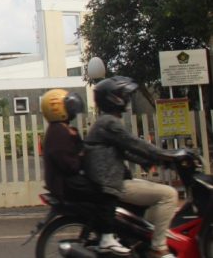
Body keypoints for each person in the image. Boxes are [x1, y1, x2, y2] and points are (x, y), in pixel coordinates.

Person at [84, 76, 179, 258]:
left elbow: (126, 150)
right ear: (115, 99)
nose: (127, 99)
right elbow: (133, 143)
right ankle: (158, 248)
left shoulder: (106, 122)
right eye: (124, 95)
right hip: (113, 183)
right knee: (169, 194)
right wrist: (166, 155)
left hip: (112, 180)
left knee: (154, 194)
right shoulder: (109, 122)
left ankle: (142, 238)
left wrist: (152, 160)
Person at [41, 88, 129, 255]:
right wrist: (81, 158)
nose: (72, 110)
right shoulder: (58, 132)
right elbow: (69, 163)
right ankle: (107, 237)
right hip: (67, 183)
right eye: (68, 106)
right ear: (57, 109)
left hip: (68, 180)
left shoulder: (62, 129)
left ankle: (107, 232)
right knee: (106, 192)